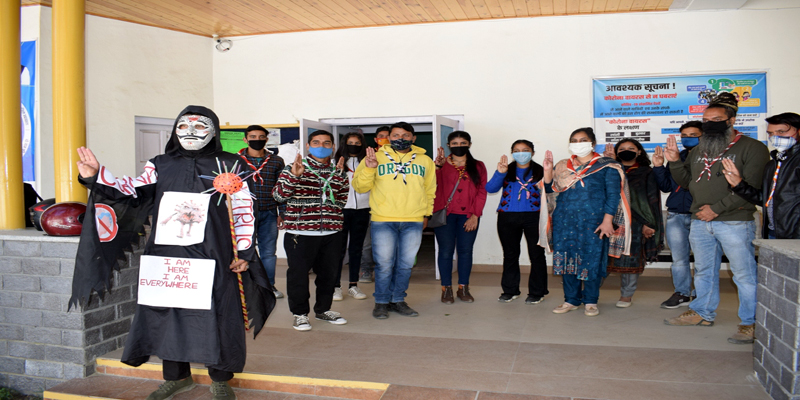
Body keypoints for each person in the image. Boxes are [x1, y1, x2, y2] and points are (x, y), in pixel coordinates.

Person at [75, 106, 273, 400]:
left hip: (214, 254)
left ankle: (220, 379)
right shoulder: (160, 164)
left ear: (213, 131)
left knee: (218, 314)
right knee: (169, 316)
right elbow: (133, 191)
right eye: (183, 126)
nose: (190, 131)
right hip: (167, 254)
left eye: (199, 126)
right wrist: (96, 177)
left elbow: (245, 210)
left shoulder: (231, 164)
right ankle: (176, 377)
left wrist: (244, 251)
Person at [663, 92, 770, 345]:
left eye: (716, 120)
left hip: (735, 220)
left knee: (743, 274)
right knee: (703, 271)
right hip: (701, 221)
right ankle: (702, 312)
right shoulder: (701, 148)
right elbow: (688, 183)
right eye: (705, 120)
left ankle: (751, 323)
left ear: (731, 120)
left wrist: (716, 209)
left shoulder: (753, 148)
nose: (709, 124)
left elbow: (751, 189)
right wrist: (675, 162)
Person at [539, 127, 630, 317]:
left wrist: (608, 221)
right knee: (566, 259)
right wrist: (547, 171)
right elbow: (550, 190)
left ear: (593, 143)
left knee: (592, 260)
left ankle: (590, 300)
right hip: (565, 221)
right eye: (574, 140)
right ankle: (571, 299)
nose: (578, 144)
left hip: (594, 221)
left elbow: (613, 195)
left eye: (583, 140)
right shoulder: (563, 166)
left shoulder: (608, 166)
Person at [352, 121, 436, 319]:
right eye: (396, 135)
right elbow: (359, 187)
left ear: (413, 138)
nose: (401, 139)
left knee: (405, 265)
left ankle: (398, 300)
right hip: (383, 220)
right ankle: (381, 302)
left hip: (413, 219)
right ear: (389, 138)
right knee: (384, 265)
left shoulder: (425, 161)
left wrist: (426, 214)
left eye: (406, 135)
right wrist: (370, 168)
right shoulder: (374, 157)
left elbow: (430, 190)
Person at [273, 130, 350, 331]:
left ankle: (323, 310)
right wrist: (293, 177)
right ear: (308, 146)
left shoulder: (338, 171)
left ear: (333, 147)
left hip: (331, 233)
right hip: (301, 233)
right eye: (316, 142)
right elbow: (279, 196)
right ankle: (299, 314)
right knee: (298, 276)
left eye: (326, 143)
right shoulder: (293, 167)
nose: (321, 146)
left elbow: (342, 198)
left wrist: (332, 211)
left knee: (329, 275)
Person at [485, 139, 548, 304]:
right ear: (512, 153)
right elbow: (490, 188)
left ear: (532, 152)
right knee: (510, 254)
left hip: (534, 216)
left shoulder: (540, 171)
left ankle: (537, 292)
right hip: (507, 216)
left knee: (536, 255)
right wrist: (500, 173)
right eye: (517, 150)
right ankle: (510, 290)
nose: (521, 153)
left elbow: (551, 192)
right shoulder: (506, 170)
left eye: (525, 150)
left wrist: (548, 176)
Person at [721, 112, 800, 239]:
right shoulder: (773, 164)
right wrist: (739, 184)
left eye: (781, 132)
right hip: (774, 232)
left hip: (794, 237)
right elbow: (765, 199)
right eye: (771, 133)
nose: (775, 137)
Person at [605, 139, 663, 308]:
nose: (626, 151)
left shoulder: (646, 172)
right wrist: (609, 163)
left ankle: (627, 295)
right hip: (609, 220)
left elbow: (651, 199)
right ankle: (589, 293)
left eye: (631, 148)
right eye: (622, 149)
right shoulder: (609, 170)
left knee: (630, 259)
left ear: (639, 152)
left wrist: (649, 223)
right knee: (602, 258)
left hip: (636, 222)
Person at [432, 131, 487, 303]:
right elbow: (430, 186)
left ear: (469, 144)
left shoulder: (478, 165)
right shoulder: (440, 165)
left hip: (468, 216)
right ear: (448, 145)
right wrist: (437, 168)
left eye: (463, 143)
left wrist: (475, 215)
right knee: (445, 251)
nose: (459, 146)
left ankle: (463, 288)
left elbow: (482, 191)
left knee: (465, 251)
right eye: (454, 143)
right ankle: (446, 289)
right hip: (445, 215)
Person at [652, 121, 702, 308]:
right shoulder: (677, 156)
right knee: (679, 259)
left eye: (693, 135)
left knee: (703, 260)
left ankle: (701, 294)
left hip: (700, 216)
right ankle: (682, 293)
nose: (688, 139)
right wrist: (658, 166)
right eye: (685, 136)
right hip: (676, 215)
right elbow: (666, 186)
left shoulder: (709, 159)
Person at [238, 125, 286, 299]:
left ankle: (268, 287)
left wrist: (282, 212)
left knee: (268, 253)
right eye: (252, 137)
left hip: (269, 212)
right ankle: (246, 287)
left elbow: (281, 188)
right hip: (243, 215)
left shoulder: (276, 161)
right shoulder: (236, 160)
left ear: (266, 139)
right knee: (244, 252)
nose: (257, 140)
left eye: (261, 137)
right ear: (245, 139)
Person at [333, 132, 370, 300]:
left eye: (357, 143)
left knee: (357, 248)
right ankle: (335, 286)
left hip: (362, 209)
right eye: (350, 142)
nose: (353, 146)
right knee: (338, 250)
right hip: (341, 209)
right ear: (344, 144)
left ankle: (353, 285)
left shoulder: (368, 162)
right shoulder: (335, 162)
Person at [358, 125, 392, 283]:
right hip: (367, 206)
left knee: (388, 243)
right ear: (375, 139)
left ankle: (386, 270)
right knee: (367, 243)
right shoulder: (368, 156)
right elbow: (359, 182)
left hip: (388, 207)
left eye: (388, 136)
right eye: (381, 136)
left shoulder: (398, 158)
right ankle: (366, 269)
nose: (384, 139)